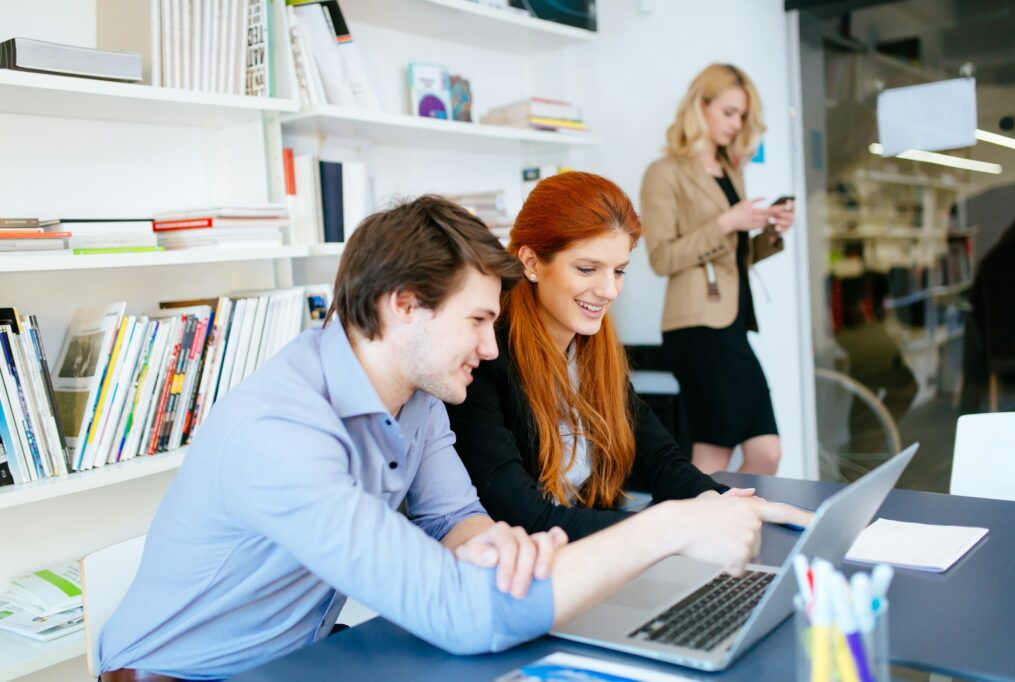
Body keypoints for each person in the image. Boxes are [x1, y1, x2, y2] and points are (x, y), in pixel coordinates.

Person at [98, 196, 801, 681]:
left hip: (297, 657)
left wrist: (487, 542)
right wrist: (672, 528)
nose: (492, 349)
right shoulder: (281, 431)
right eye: (477, 322)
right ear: (404, 306)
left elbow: (452, 518)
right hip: (189, 673)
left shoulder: (417, 398)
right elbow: (463, 617)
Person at [447, 171, 776, 541]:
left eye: (619, 271)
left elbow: (661, 458)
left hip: (591, 553)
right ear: (532, 263)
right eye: (587, 268)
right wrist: (674, 529)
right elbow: (526, 516)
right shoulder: (484, 359)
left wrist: (719, 500)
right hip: (528, 569)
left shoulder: (592, 349)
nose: (608, 290)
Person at [640, 63, 795, 475]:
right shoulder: (664, 173)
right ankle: (707, 532)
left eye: (742, 115)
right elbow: (661, 257)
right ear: (700, 106)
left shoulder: (731, 169)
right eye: (728, 112)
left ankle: (734, 524)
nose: (736, 123)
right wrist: (727, 221)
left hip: (732, 324)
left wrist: (771, 231)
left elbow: (733, 258)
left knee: (767, 451)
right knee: (713, 456)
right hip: (696, 329)